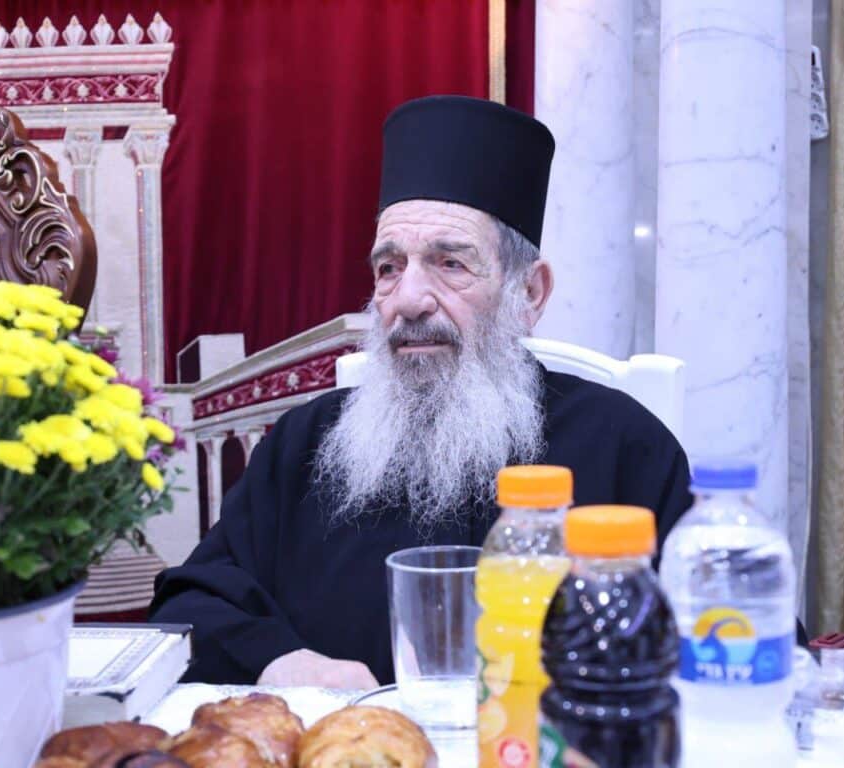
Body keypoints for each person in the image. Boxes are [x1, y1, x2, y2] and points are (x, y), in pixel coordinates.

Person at [149, 95, 693, 689]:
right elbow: (192, 603)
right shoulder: (304, 443)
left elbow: (703, 635)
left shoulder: (625, 445)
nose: (408, 300)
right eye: (389, 268)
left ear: (530, 294)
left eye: (450, 263)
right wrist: (281, 662)